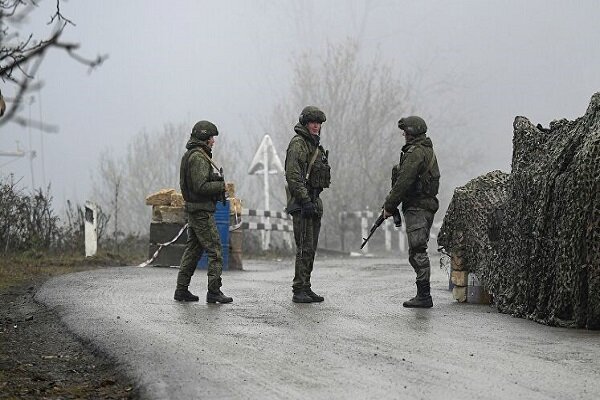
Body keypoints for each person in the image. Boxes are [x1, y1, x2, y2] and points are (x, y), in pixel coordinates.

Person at [382, 116, 440, 308]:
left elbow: (403, 182)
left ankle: (424, 295)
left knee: (417, 250)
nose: (403, 135)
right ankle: (423, 293)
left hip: (418, 207)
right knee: (417, 249)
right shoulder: (426, 150)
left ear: (412, 133)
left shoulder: (415, 153)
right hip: (424, 206)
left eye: (405, 132)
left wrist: (389, 206)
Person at [174, 120, 233, 304]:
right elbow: (199, 186)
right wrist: (220, 185)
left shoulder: (192, 155)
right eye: (211, 138)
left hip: (196, 210)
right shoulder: (198, 157)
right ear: (203, 138)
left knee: (193, 250)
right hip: (201, 211)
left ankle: (181, 290)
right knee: (215, 250)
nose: (213, 141)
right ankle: (214, 291)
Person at [284, 106, 331, 303]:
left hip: (313, 201)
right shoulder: (299, 144)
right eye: (313, 122)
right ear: (305, 123)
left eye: (319, 123)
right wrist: (305, 200)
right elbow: (293, 177)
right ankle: (298, 289)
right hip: (303, 203)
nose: (316, 126)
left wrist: (313, 202)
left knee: (310, 248)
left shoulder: (314, 146)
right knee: (304, 246)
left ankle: (306, 285)